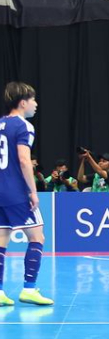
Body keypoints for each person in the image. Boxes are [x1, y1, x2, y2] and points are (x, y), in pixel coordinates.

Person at [0, 82, 53, 306]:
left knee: (2, 239)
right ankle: (29, 289)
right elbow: (23, 160)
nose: (36, 104)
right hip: (16, 192)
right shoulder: (24, 126)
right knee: (37, 237)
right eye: (33, 100)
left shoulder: (0, 123)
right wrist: (32, 191)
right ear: (23, 103)